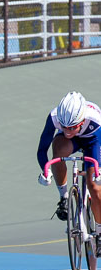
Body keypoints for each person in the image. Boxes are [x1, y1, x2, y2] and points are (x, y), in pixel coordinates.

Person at [37, 92, 101, 241]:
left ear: (82, 121)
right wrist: (45, 171)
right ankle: (64, 197)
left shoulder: (95, 120)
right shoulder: (54, 117)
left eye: (72, 128)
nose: (67, 132)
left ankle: (99, 230)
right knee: (58, 146)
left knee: (95, 186)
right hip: (72, 144)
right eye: (64, 127)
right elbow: (42, 149)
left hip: (94, 141)